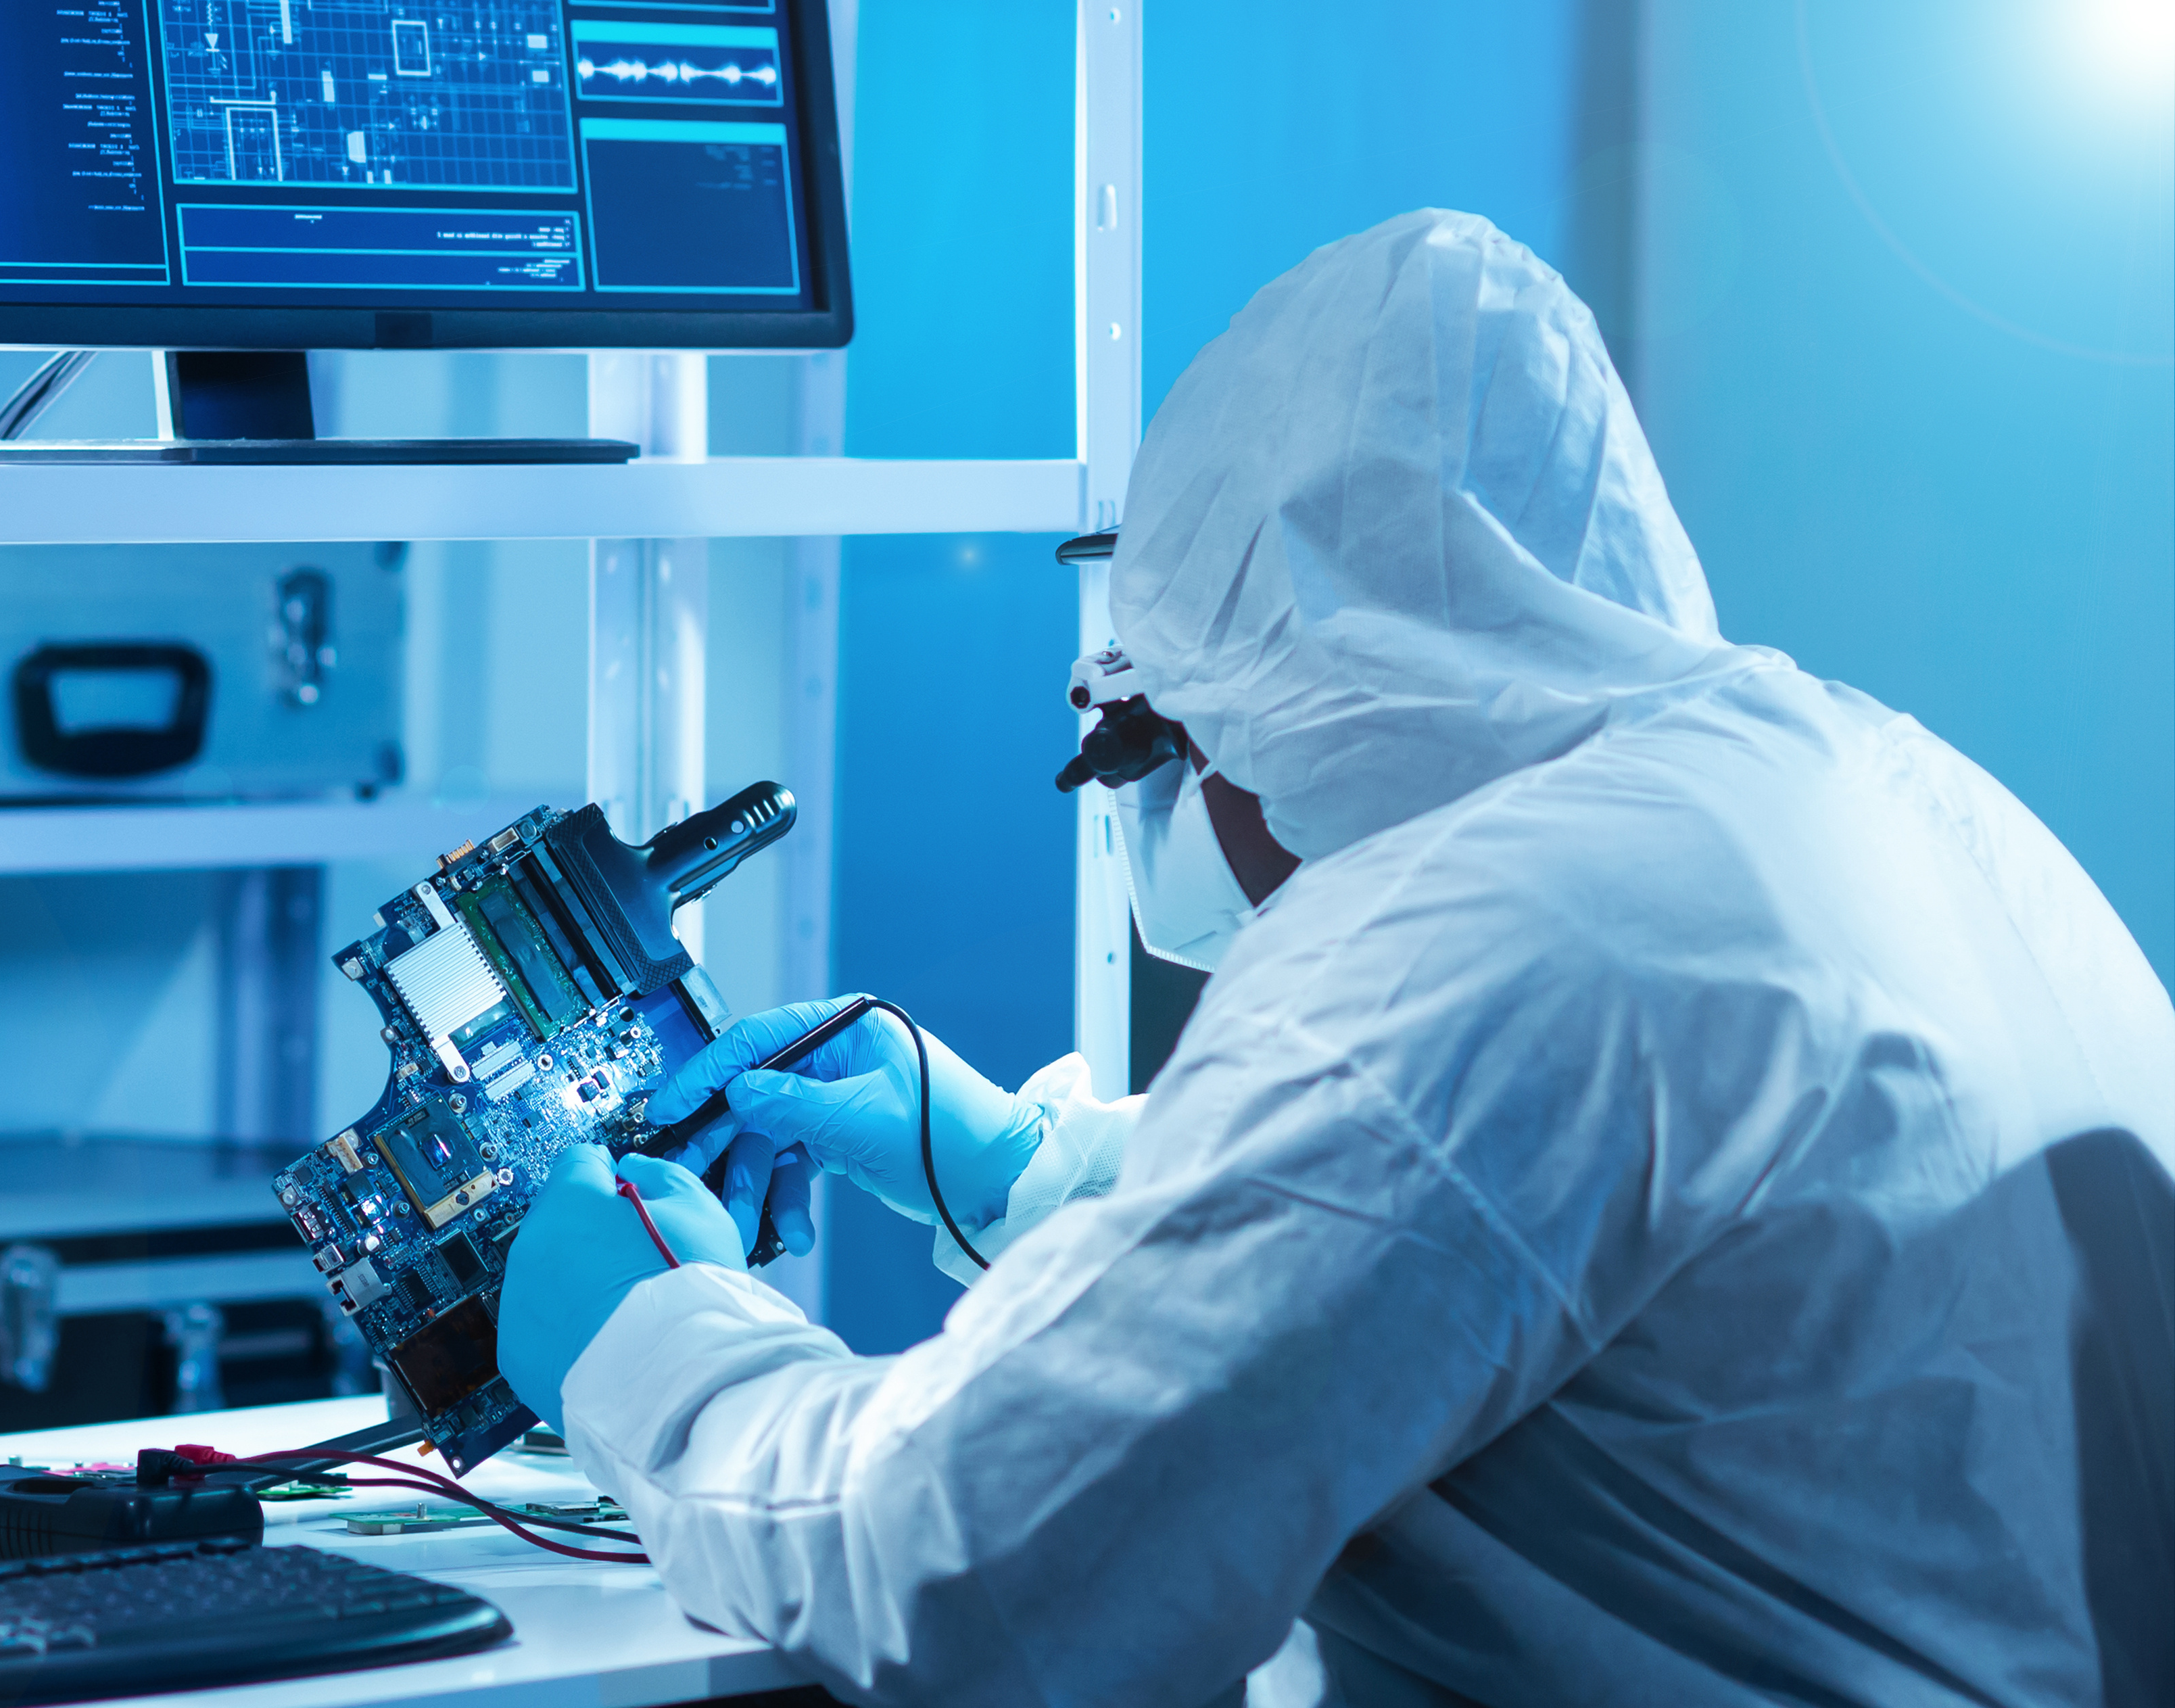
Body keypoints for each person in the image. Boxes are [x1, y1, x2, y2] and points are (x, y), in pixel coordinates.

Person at [493, 209, 2175, 1705]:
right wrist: (1027, 1168)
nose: (1158, 809)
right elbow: (1504, 1259)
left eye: (1154, 747)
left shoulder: (1484, 934)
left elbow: (974, 1588)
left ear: (1281, 705)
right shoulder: (1875, 791)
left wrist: (646, 1344)